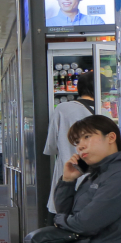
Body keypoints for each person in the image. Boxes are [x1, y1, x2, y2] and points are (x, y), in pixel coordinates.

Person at [44, 71, 95, 214]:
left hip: (66, 179)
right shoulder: (105, 111)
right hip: (95, 184)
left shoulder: (62, 109)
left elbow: (51, 147)